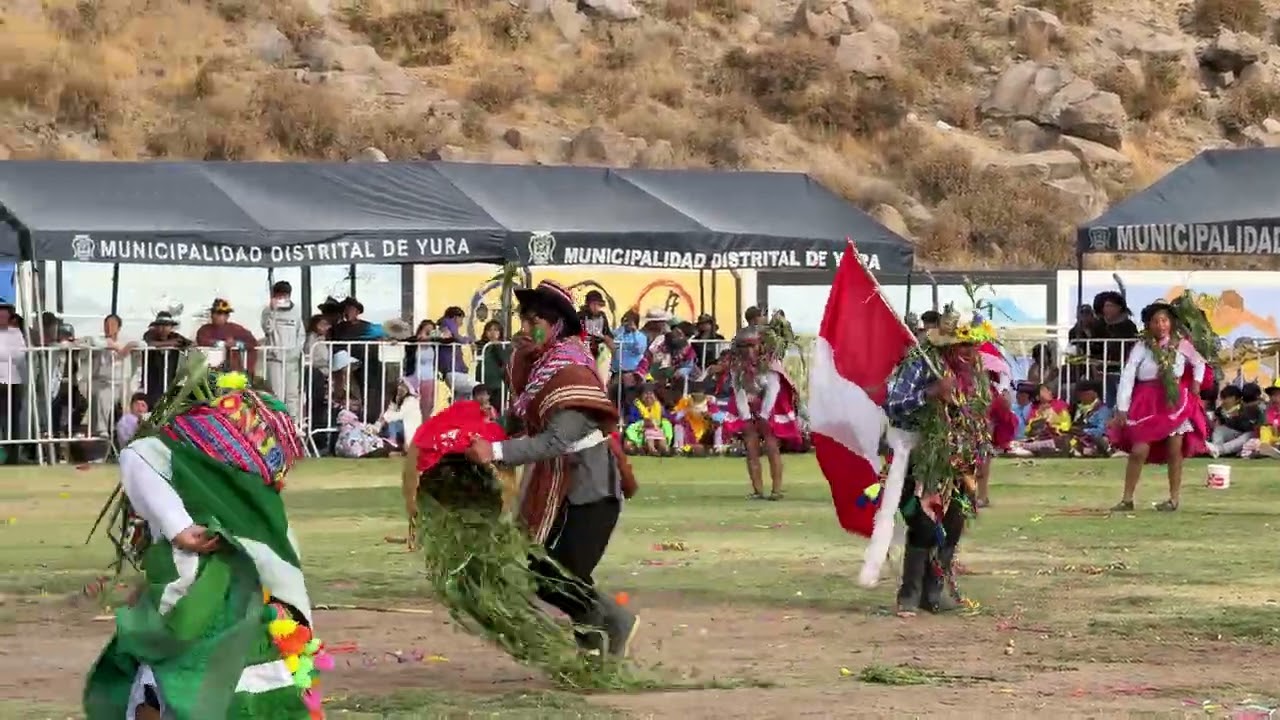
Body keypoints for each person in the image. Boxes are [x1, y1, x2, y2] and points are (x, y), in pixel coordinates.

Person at [82, 360, 323, 720]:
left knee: (174, 671)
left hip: (204, 589)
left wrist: (176, 526)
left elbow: (139, 457)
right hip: (239, 587)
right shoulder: (250, 473)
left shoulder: (168, 450)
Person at [463, 279, 639, 658]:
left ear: (556, 324)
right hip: (555, 486)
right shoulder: (543, 369)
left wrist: (494, 450)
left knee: (560, 577)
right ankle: (597, 642)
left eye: (533, 322)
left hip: (590, 488)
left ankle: (606, 632)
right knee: (545, 572)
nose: (524, 330)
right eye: (523, 322)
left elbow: (554, 440)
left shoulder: (572, 370)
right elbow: (523, 418)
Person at [883, 308, 991, 617]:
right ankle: (909, 593)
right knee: (923, 522)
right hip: (916, 459)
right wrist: (931, 392)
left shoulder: (975, 372)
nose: (972, 353)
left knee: (954, 522)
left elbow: (976, 413)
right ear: (949, 346)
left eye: (974, 346)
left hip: (957, 459)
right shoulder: (920, 365)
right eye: (965, 346)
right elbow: (893, 405)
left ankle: (935, 591)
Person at [1107, 301, 1209, 512]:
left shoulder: (1181, 344)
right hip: (1147, 401)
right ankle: (1127, 499)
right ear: (1148, 325)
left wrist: (1197, 382)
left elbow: (1199, 363)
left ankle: (1173, 499)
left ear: (1170, 323)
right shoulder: (1142, 347)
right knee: (1139, 450)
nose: (1161, 325)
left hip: (1173, 401)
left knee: (1174, 451)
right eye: (1155, 321)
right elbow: (1128, 375)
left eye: (1164, 320)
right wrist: (1122, 406)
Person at [722, 330, 802, 500]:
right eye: (743, 346)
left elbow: (773, 390)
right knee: (751, 447)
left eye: (751, 345)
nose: (747, 351)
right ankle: (757, 490)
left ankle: (776, 490)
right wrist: (745, 418)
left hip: (770, 405)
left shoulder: (771, 364)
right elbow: (738, 390)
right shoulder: (736, 366)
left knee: (771, 445)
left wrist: (765, 416)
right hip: (749, 404)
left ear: (760, 345)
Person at [85, 314, 138, 439]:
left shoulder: (125, 341)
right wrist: (114, 346)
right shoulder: (100, 341)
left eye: (113, 324)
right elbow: (94, 342)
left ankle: (130, 432)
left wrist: (128, 346)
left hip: (123, 383)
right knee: (103, 395)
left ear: (119, 327)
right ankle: (101, 431)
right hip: (105, 383)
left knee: (132, 400)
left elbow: (142, 344)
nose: (109, 327)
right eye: (106, 324)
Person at [261, 280, 304, 421]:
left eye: (284, 295)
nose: (281, 299)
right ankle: (277, 424)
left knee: (292, 394)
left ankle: (294, 424)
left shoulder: (296, 311)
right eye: (278, 296)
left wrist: (296, 352)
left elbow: (301, 334)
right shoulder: (267, 311)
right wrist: (273, 312)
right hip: (275, 359)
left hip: (291, 359)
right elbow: (267, 329)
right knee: (276, 394)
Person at [1086, 291, 1138, 404]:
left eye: (1111, 306)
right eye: (1106, 306)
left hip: (1121, 369)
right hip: (1103, 369)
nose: (1107, 309)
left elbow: (1132, 348)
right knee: (1106, 399)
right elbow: (1094, 348)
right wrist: (1095, 367)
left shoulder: (1129, 326)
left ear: (1119, 308)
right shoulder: (1099, 325)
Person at [141, 312, 191, 409]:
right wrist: (170, 343)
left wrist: (182, 345)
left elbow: (191, 344)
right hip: (152, 380)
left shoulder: (176, 336)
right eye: (160, 325)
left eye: (166, 325)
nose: (163, 328)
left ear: (171, 327)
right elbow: (149, 343)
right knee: (152, 406)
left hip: (169, 379)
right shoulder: (149, 334)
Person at [195, 298, 258, 375]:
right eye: (218, 313)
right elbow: (203, 341)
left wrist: (237, 344)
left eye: (225, 313)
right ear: (212, 314)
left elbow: (252, 342)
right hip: (210, 373)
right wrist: (223, 344)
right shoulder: (204, 330)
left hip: (234, 373)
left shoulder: (236, 329)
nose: (221, 316)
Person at [0, 302, 26, 457]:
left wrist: (4, 355)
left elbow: (20, 355)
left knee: (12, 419)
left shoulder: (15, 333)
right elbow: (12, 354)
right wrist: (8, 354)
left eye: (4, 315)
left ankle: (13, 454)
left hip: (13, 380)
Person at [1207, 385, 1262, 458]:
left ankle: (1219, 450)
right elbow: (1219, 424)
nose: (1224, 401)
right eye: (1222, 398)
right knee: (1219, 430)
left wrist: (1237, 417)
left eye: (1226, 398)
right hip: (1232, 434)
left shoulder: (1248, 408)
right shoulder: (1220, 410)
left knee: (1249, 435)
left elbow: (1251, 427)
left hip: (1247, 436)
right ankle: (1216, 449)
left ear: (1236, 398)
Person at [436, 306, 477, 399]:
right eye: (461, 318)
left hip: (454, 368)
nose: (462, 322)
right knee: (478, 388)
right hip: (453, 368)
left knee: (462, 398)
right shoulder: (448, 322)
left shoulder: (444, 325)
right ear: (456, 317)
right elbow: (457, 337)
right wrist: (470, 340)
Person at [673, 381, 724, 454]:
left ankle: (717, 448)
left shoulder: (709, 402)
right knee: (678, 426)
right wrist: (687, 411)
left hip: (704, 432)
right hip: (690, 431)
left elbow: (721, 418)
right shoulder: (685, 401)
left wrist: (710, 415)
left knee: (717, 425)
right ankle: (679, 448)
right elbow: (675, 417)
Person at [1064, 380, 1112, 457]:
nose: (1081, 397)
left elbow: (1102, 430)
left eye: (1083, 394)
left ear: (1094, 394)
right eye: (1079, 395)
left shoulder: (1102, 409)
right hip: (1078, 437)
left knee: (1101, 440)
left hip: (1095, 438)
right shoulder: (1078, 408)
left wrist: (1084, 431)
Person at [624, 384, 673, 455]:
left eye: (651, 394)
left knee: (666, 424)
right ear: (641, 396)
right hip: (640, 431)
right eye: (646, 394)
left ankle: (664, 448)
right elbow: (632, 421)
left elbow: (664, 419)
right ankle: (647, 449)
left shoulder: (659, 407)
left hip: (657, 431)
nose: (648, 396)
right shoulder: (635, 407)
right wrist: (644, 423)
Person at [474, 320, 511, 406]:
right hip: (483, 384)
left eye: (495, 330)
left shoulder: (505, 345)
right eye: (489, 330)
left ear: (500, 332)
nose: (492, 333)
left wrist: (497, 346)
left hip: (498, 385)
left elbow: (504, 360)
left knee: (496, 411)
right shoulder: (482, 346)